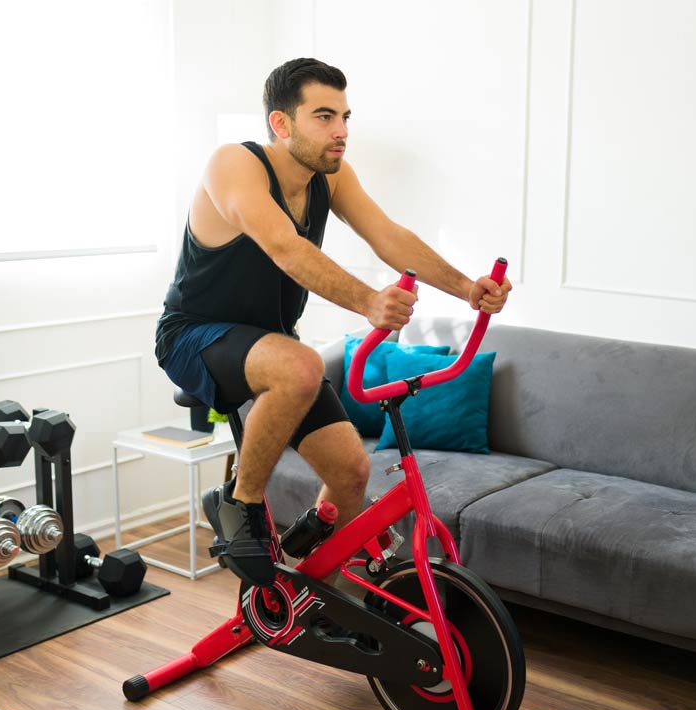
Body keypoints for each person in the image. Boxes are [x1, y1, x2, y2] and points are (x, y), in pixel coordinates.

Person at [154, 58, 512, 587]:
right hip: (194, 334)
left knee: (351, 472)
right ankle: (239, 503)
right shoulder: (234, 164)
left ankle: (320, 585)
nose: (341, 131)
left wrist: (467, 288)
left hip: (271, 344)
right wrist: (368, 300)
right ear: (282, 123)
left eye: (345, 116)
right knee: (300, 365)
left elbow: (389, 235)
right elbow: (284, 247)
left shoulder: (331, 175)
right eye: (324, 116)